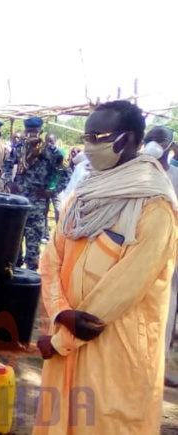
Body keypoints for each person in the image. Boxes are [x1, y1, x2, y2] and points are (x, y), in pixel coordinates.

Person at [35, 100, 178, 434]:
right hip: (68, 330)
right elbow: (52, 258)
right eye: (86, 137)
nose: (88, 146)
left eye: (96, 137)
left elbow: (124, 288)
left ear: (126, 140)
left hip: (114, 349)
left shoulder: (155, 206)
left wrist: (61, 340)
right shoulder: (84, 192)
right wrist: (60, 312)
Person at [3, 116, 69, 270]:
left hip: (37, 205)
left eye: (34, 131)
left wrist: (51, 192)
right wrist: (8, 182)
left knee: (33, 252)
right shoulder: (19, 148)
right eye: (28, 131)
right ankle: (14, 279)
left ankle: (30, 283)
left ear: (40, 131)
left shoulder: (51, 151)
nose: (31, 134)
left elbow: (66, 173)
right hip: (17, 204)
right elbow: (6, 165)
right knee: (13, 249)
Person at [141, 126, 178, 388]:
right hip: (136, 252)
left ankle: (157, 366)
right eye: (150, 140)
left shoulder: (175, 176)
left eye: (158, 141)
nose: (154, 145)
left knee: (165, 307)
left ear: (169, 146)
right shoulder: (136, 171)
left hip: (169, 255)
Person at [42, 133, 67, 240]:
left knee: (59, 210)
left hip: (56, 188)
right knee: (44, 212)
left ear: (56, 141)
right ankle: (45, 234)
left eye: (51, 141)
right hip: (45, 189)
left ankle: (59, 234)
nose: (49, 144)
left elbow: (66, 173)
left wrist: (57, 189)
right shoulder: (42, 154)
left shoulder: (61, 153)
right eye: (47, 141)